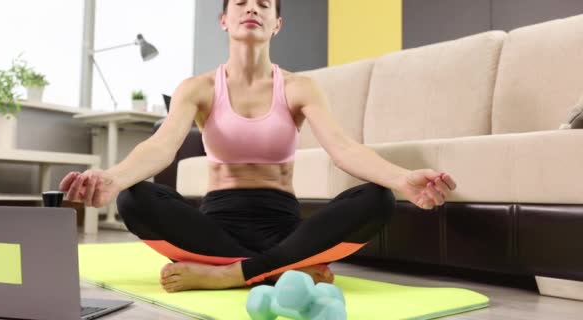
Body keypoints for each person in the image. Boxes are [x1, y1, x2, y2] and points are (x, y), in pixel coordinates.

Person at [60, 0, 457, 293]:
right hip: (216, 226)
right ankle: (286, 270)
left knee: (378, 200)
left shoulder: (301, 87)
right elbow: (161, 146)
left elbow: (344, 148)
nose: (252, 8)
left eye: (264, 4)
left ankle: (231, 274)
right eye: (241, 4)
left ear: (277, 23)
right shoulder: (197, 89)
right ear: (224, 19)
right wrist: (111, 178)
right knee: (133, 199)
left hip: (281, 225)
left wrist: (403, 179)